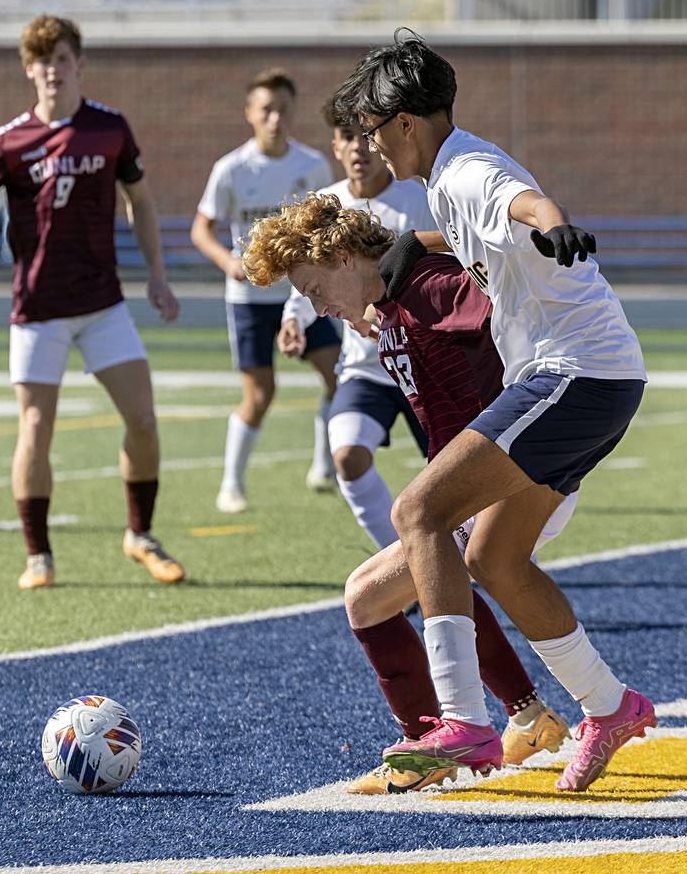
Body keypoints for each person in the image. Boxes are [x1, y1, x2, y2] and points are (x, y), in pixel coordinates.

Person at [325, 29, 655, 792]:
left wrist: (555, 223)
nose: (370, 145)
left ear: (406, 122)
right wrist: (417, 242)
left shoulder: (468, 170)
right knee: (492, 559)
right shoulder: (446, 179)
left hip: (576, 374)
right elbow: (479, 224)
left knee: (419, 512)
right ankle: (610, 707)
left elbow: (520, 200)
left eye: (374, 129)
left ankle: (466, 725)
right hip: (597, 375)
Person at [243, 193, 574, 794]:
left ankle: (442, 744)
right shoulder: (390, 304)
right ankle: (529, 717)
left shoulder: (428, 288)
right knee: (380, 594)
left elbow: (501, 285)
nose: (316, 307)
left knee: (370, 595)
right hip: (482, 483)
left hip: (506, 479)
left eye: (315, 288)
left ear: (343, 258)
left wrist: (425, 249)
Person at [0, 14, 185, 591]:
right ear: (29, 69)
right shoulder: (8, 140)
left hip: (103, 303)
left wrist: (157, 275)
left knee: (143, 420)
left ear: (80, 63)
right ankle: (38, 554)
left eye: (62, 58)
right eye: (42, 60)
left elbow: (140, 202)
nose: (52, 69)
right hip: (38, 308)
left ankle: (140, 534)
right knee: (34, 427)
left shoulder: (110, 127)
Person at [277, 97, 435, 550]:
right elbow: (310, 282)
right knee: (346, 455)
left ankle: (469, 560)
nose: (358, 148)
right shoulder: (324, 209)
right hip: (367, 370)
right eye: (347, 137)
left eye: (365, 136)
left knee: (454, 478)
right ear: (335, 146)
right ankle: (401, 565)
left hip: (427, 366)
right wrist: (294, 319)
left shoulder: (419, 198)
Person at [191, 69, 341, 514]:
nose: (274, 118)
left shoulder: (312, 165)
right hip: (251, 301)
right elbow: (202, 228)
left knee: (338, 376)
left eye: (282, 110)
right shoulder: (231, 169)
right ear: (250, 115)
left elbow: (326, 225)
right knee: (260, 394)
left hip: (304, 296)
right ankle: (231, 484)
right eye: (266, 110)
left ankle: (323, 465)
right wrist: (228, 262)